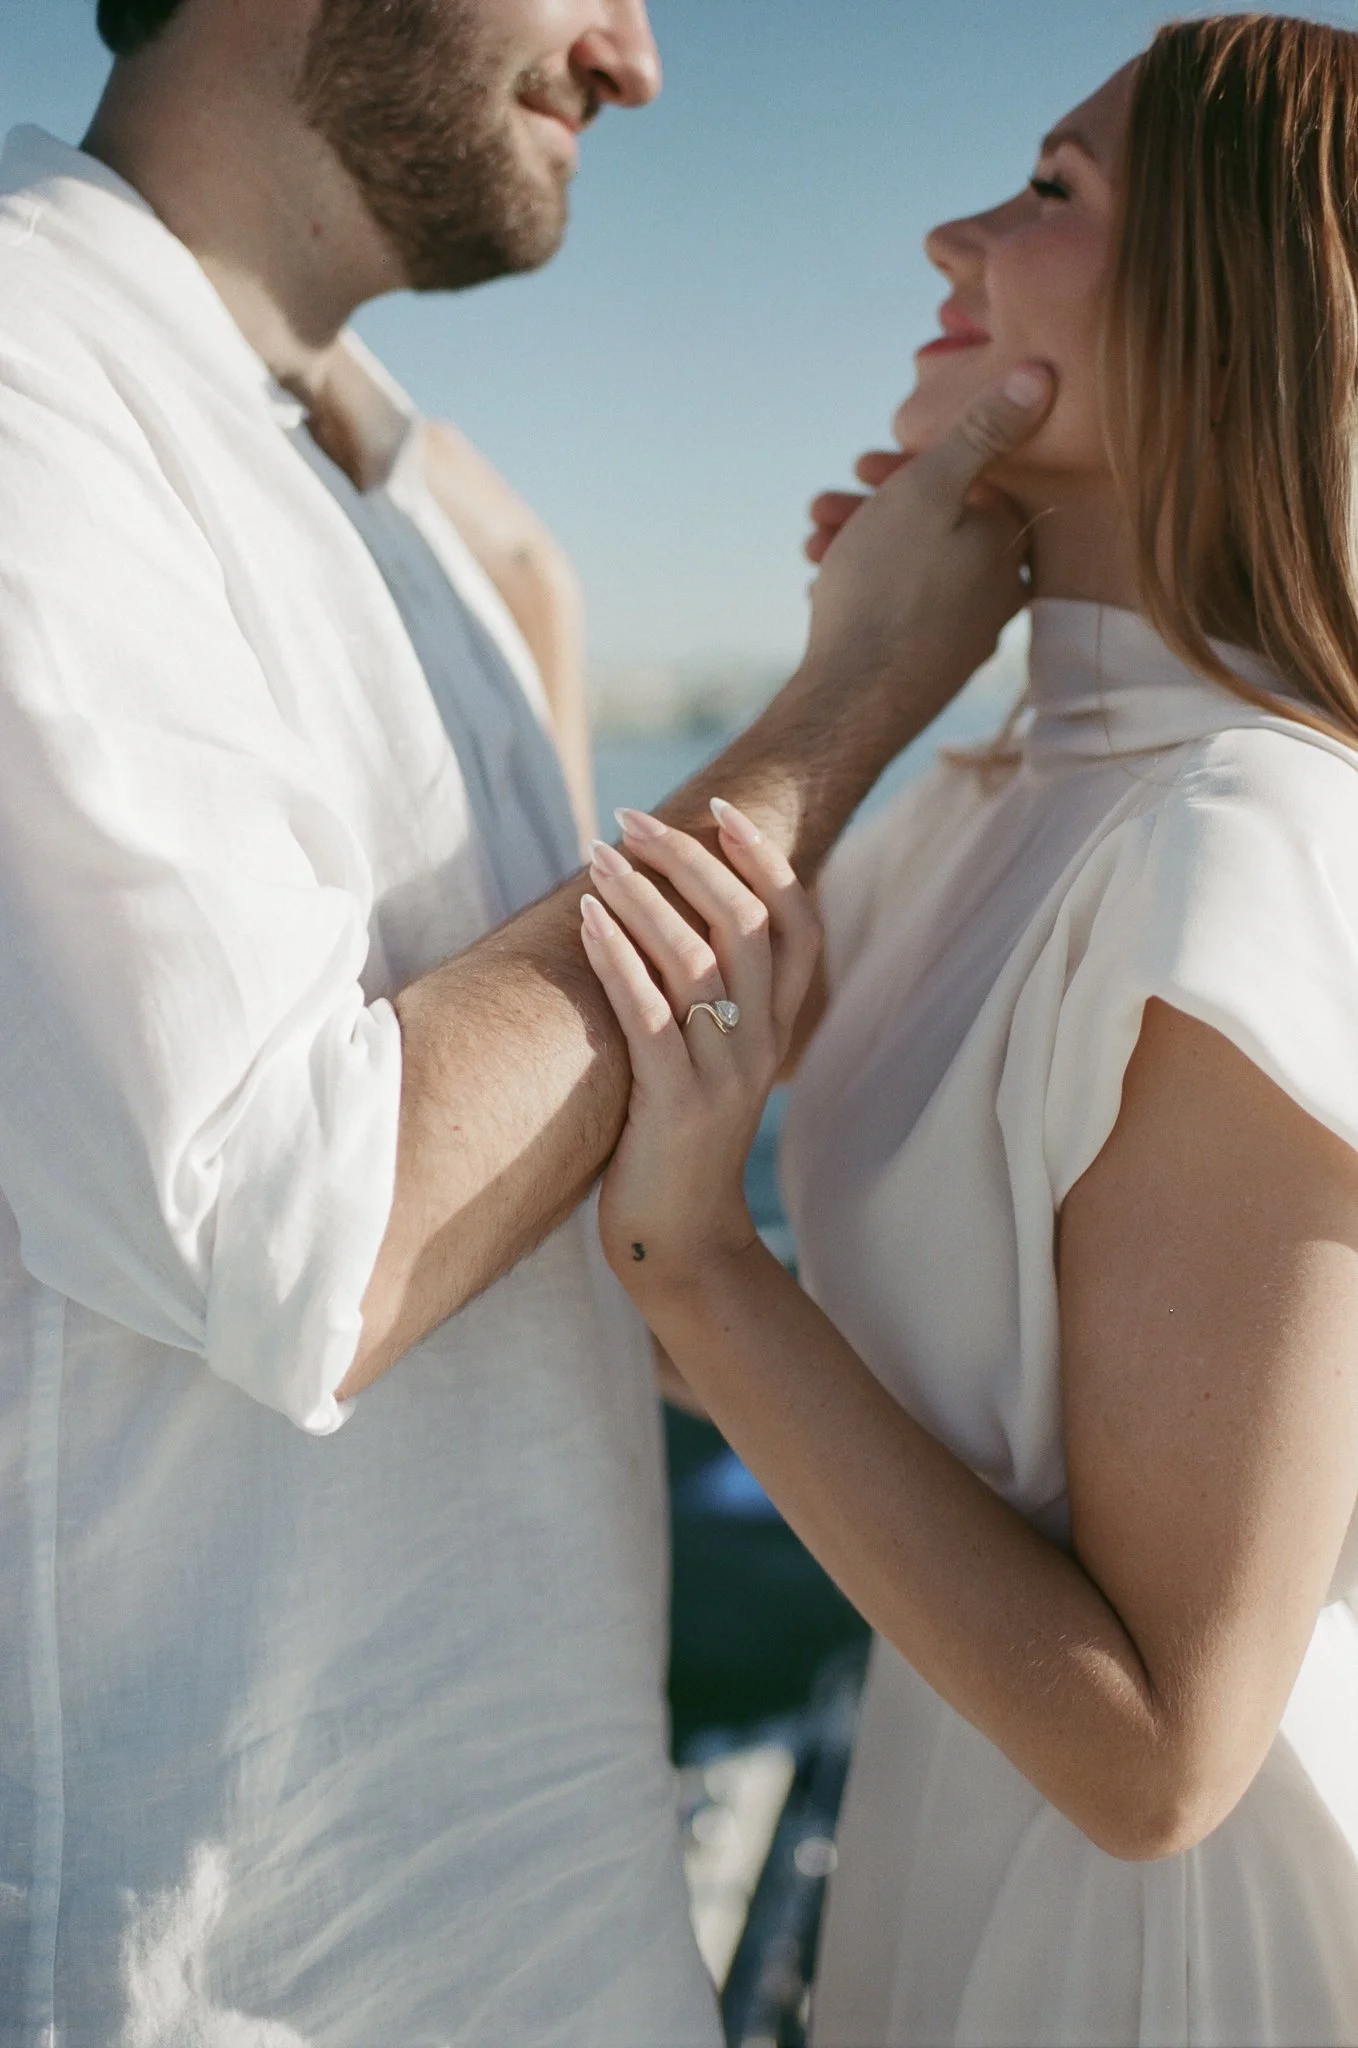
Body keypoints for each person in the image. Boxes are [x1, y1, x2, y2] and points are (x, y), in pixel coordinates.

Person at [0, 0, 1056, 2039]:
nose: (636, 58)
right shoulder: (35, 389)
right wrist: (851, 703)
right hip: (233, 1975)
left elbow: (541, 1191)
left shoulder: (378, 493)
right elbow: (308, 1231)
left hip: (558, 1921)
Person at [578, 17, 1358, 2046]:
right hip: (951, 1840)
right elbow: (765, 1363)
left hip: (1150, 1957)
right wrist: (871, 665)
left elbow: (1160, 1759)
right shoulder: (980, 799)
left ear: (1237, 307)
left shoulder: (1246, 845)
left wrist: (701, 1260)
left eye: (1050, 192)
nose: (948, 229)